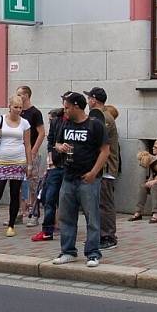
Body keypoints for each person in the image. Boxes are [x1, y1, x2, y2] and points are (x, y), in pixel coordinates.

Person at [51, 92, 109, 268]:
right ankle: (68, 251)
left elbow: (105, 151)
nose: (65, 110)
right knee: (66, 216)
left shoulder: (95, 125)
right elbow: (56, 143)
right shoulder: (65, 124)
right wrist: (60, 147)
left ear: (76, 106)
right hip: (68, 176)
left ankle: (93, 253)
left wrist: (93, 172)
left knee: (92, 217)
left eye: (67, 107)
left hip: (88, 178)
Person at [0, 94, 32, 238]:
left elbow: (28, 145)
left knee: (15, 194)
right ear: (9, 106)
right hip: (1, 160)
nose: (18, 110)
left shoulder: (25, 123)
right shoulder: (0, 119)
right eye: (15, 107)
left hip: (18, 160)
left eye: (20, 107)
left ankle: (11, 225)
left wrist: (29, 164)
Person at [86, 87, 120, 249]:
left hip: (106, 168)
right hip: (100, 167)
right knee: (99, 203)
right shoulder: (100, 116)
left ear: (94, 100)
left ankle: (108, 236)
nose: (87, 101)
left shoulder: (104, 117)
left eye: (89, 98)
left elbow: (97, 141)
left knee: (105, 203)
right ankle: (100, 234)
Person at [31, 108, 67, 242]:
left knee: (71, 201)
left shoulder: (78, 123)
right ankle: (47, 230)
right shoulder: (56, 122)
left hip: (70, 167)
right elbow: (51, 142)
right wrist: (50, 161)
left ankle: (67, 229)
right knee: (48, 198)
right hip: (55, 166)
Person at [16, 86, 45, 227]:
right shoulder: (17, 112)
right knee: (18, 184)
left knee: (33, 184)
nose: (18, 97)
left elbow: (41, 132)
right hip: (17, 152)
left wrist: (33, 151)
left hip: (30, 152)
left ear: (26, 95)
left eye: (20, 94)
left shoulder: (35, 113)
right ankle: (20, 212)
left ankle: (34, 214)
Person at [130, 140, 157, 223]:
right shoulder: (153, 159)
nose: (153, 148)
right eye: (153, 146)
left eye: (155, 147)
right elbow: (152, 175)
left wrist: (154, 182)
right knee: (143, 186)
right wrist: (149, 181)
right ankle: (138, 212)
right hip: (156, 181)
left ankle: (156, 214)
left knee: (154, 187)